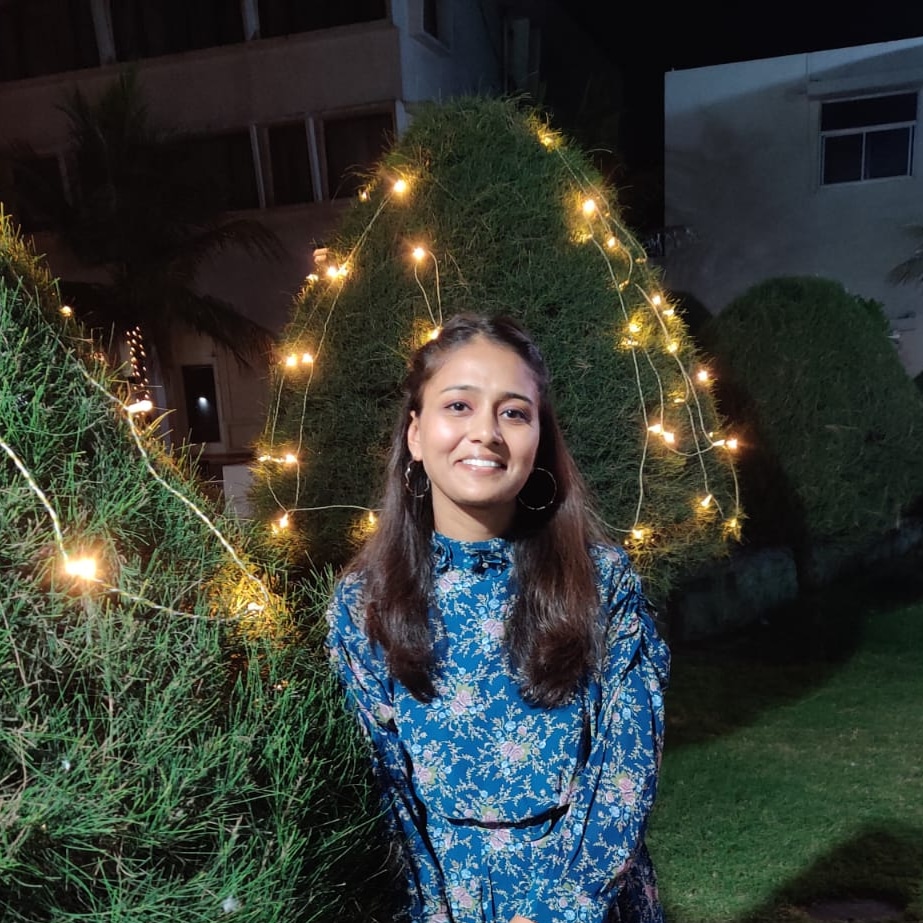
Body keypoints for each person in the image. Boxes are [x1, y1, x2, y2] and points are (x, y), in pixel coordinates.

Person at [326, 313, 670, 923]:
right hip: (440, 901)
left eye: (514, 412)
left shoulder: (600, 581)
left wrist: (563, 910)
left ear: (539, 439)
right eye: (458, 406)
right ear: (414, 433)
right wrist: (430, 911)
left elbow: (626, 766)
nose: (485, 432)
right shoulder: (365, 602)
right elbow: (382, 785)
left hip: (583, 899)